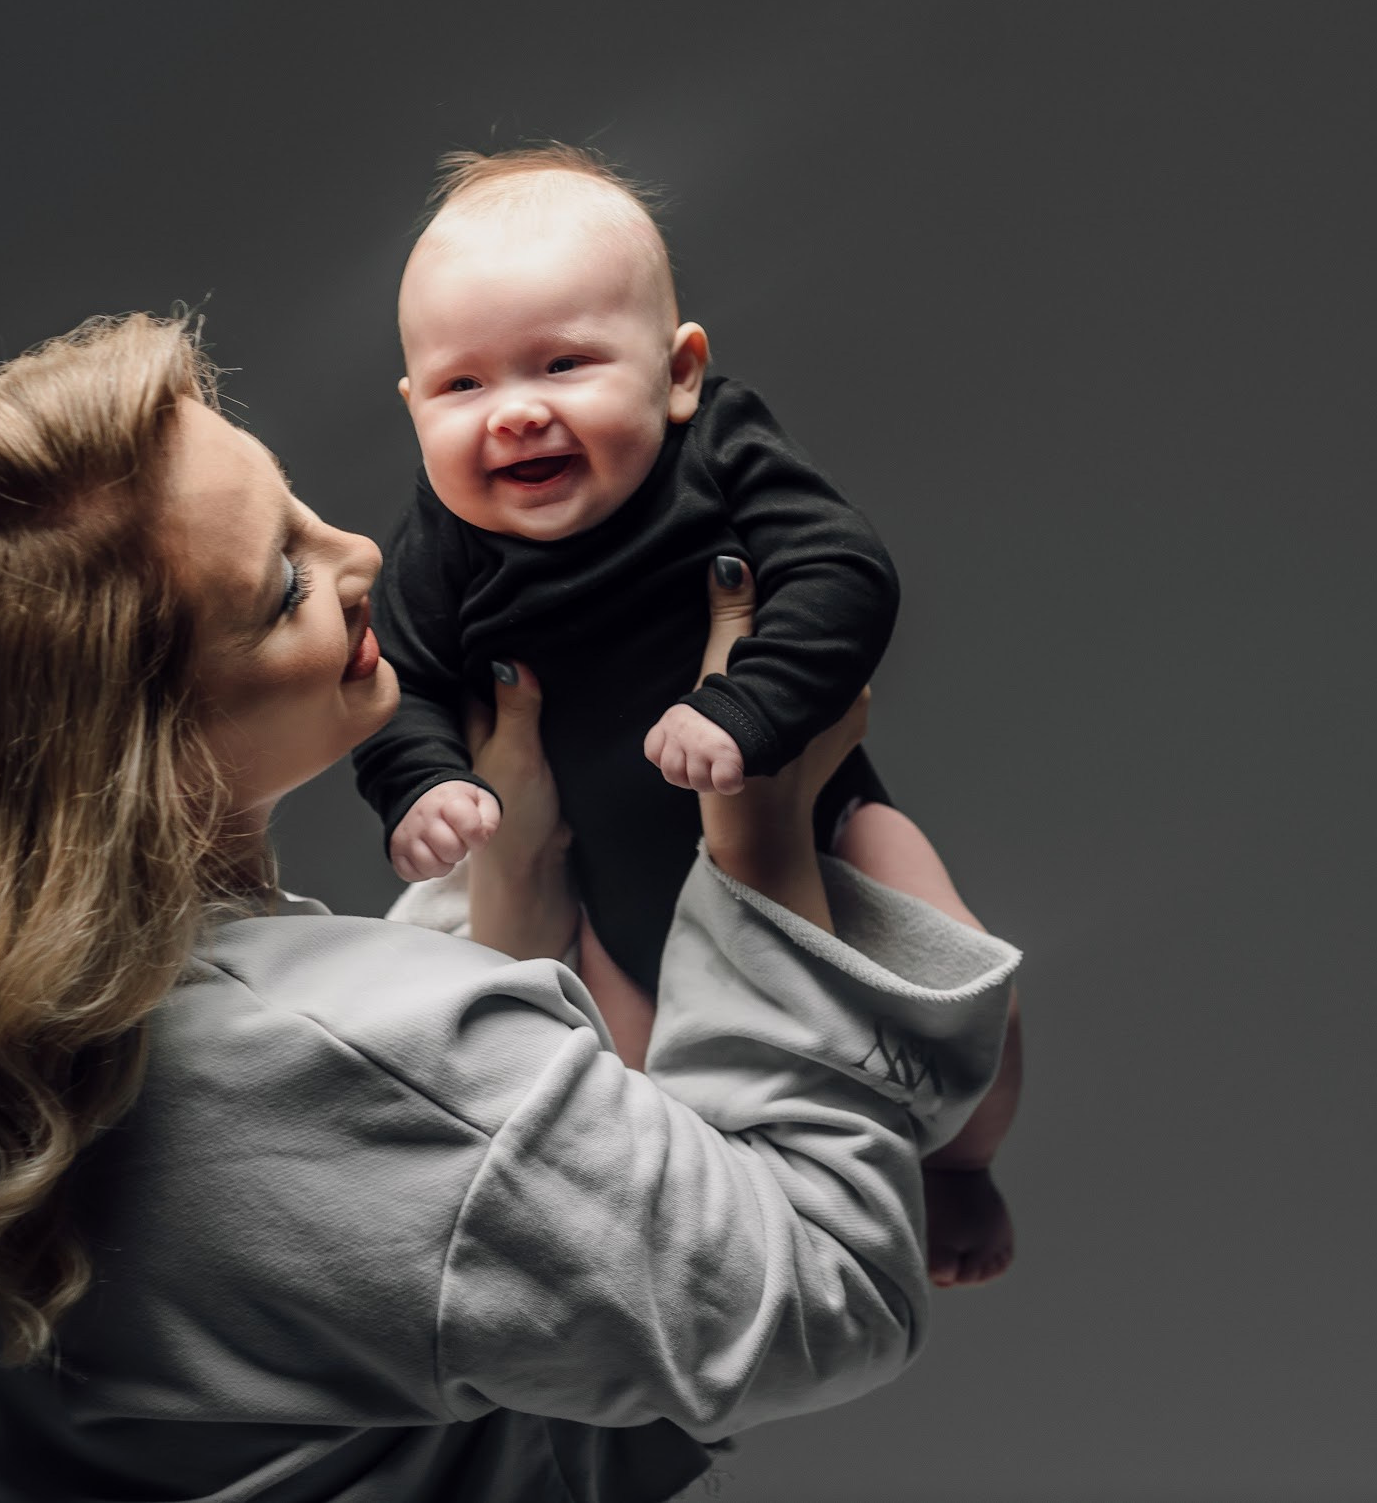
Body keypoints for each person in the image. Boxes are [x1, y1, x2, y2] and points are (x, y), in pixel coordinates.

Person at [0, 313, 1020, 1502]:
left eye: (299, 507)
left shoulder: (1, 1050)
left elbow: (392, 1249)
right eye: (282, 584)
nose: (363, 555)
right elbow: (832, 1290)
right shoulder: (342, 1056)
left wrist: (511, 885)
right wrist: (760, 850)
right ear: (133, 749)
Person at [352, 145, 1021, 1285]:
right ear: (415, 409)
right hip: (609, 894)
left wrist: (746, 707)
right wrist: (422, 782)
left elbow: (841, 573)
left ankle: (961, 1165)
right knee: (643, 1119)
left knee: (968, 1013)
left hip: (823, 823)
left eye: (563, 364)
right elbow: (399, 681)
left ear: (677, 373)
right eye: (464, 387)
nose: (515, 414)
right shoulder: (444, 544)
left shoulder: (716, 454)